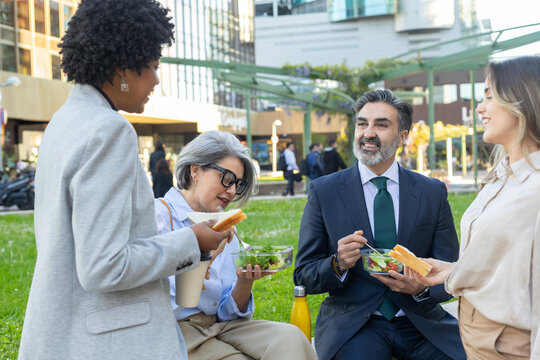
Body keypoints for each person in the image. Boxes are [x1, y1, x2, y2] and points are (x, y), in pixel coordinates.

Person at [18, 1, 231, 359]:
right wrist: (191, 241)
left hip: (65, 331)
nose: (156, 79)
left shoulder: (63, 122)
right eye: (152, 66)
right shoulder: (109, 131)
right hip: (109, 340)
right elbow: (104, 267)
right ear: (121, 67)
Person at [294, 89, 466, 360]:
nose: (368, 132)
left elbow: (451, 270)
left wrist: (421, 289)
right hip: (355, 326)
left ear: (402, 137)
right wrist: (338, 262)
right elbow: (303, 274)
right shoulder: (324, 191)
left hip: (420, 322)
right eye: (362, 123)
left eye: (381, 124)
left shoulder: (432, 192)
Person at [407, 56, 540, 359]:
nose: (479, 107)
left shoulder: (536, 190)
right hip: (475, 336)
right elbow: (509, 265)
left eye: (489, 96)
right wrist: (451, 272)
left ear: (523, 99)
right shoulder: (501, 176)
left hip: (508, 345)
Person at [155, 130, 317, 360]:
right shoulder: (159, 217)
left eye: (237, 184)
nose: (231, 191)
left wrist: (244, 281)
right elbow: (171, 304)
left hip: (222, 327)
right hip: (177, 329)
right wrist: (204, 255)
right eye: (227, 179)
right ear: (195, 170)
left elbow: (227, 312)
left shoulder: (226, 226)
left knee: (291, 338)